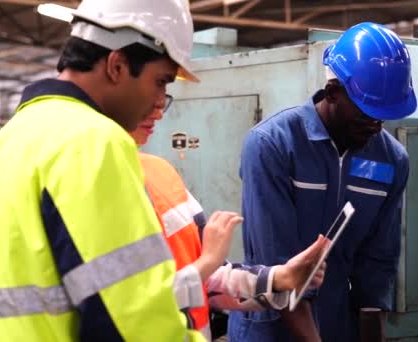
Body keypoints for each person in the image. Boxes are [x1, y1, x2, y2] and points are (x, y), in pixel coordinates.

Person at [0, 1, 216, 341]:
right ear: (117, 65)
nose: (159, 101)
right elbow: (134, 323)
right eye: (160, 81)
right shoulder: (92, 141)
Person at [227, 22, 418, 342]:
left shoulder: (391, 160)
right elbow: (278, 267)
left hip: (337, 323)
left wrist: (373, 333)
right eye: (365, 113)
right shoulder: (273, 145)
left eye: (382, 116)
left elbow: (378, 262)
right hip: (271, 326)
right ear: (332, 92)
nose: (375, 126)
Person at [129, 94, 328, 341]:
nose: (159, 110)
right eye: (156, 84)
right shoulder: (92, 189)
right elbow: (131, 309)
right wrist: (208, 262)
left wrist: (279, 278)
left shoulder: (161, 173)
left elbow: (210, 284)